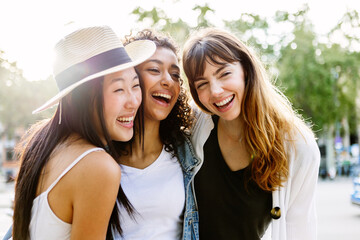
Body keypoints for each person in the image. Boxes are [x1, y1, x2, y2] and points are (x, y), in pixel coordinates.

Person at [11, 25, 155, 240]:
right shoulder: (97, 166)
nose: (134, 101)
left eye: (135, 85)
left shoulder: (43, 143)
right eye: (118, 89)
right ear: (81, 99)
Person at [182, 28, 320, 240]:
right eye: (202, 84)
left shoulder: (298, 146)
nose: (216, 90)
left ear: (246, 69)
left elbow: (299, 230)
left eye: (224, 74)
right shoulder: (195, 125)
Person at [112, 30, 199, 240]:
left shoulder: (187, 151)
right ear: (129, 77)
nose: (168, 80)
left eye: (175, 75)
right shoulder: (98, 155)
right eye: (154, 69)